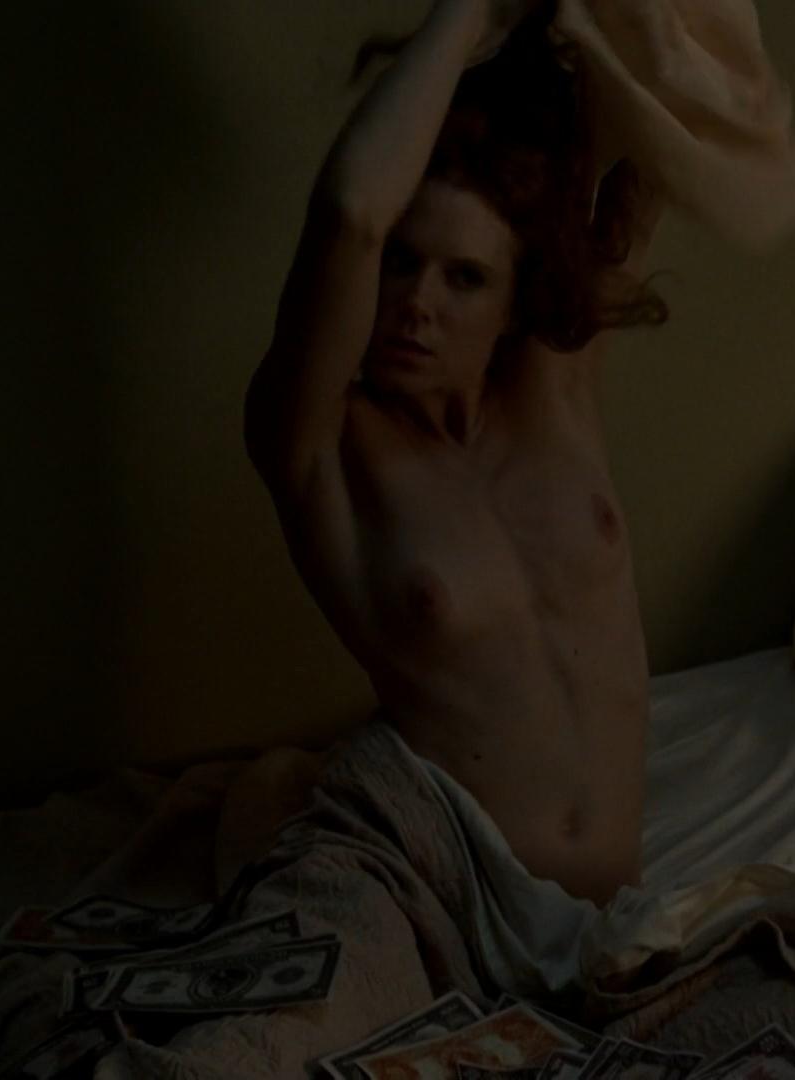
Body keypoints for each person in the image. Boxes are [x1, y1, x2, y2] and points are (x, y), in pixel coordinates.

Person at [245, 0, 668, 908]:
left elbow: (662, 138)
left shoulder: (557, 385)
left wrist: (589, 28)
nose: (417, 305)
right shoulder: (319, 443)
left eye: (464, 277)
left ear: (516, 299)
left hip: (613, 923)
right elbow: (352, 209)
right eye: (400, 263)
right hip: (443, 900)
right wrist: (471, 12)